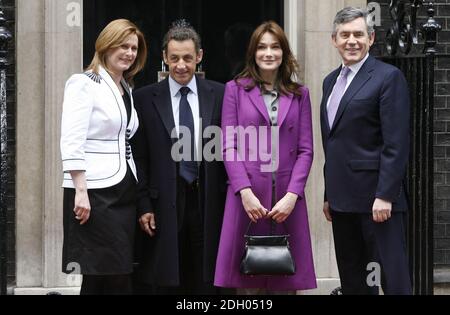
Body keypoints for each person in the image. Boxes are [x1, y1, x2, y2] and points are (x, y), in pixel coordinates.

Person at [214, 21, 317, 294]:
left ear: (284, 52)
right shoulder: (235, 90)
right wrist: (244, 192)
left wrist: (293, 195)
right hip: (248, 199)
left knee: (285, 282)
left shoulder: (299, 94)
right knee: (248, 284)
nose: (268, 53)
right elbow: (229, 146)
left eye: (275, 47)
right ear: (253, 53)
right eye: (262, 47)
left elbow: (306, 150)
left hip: (286, 200)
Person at [320, 7, 412, 295]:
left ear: (371, 38)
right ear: (334, 39)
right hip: (341, 201)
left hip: (377, 202)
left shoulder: (388, 77)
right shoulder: (329, 82)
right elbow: (334, 143)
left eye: (359, 34)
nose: (352, 41)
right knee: (354, 280)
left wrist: (385, 195)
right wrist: (328, 194)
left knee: (392, 281)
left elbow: (396, 143)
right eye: (345, 35)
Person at [132, 20, 227, 294]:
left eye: (187, 58)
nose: (181, 65)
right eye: (174, 58)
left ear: (199, 56)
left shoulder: (220, 94)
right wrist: (143, 205)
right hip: (162, 203)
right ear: (164, 57)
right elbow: (139, 158)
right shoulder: (143, 99)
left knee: (205, 279)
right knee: (166, 279)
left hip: (208, 201)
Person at [60, 19, 147, 295]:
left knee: (109, 271)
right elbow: (72, 138)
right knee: (108, 272)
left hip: (123, 190)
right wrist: (80, 191)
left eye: (134, 48)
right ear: (106, 45)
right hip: (96, 193)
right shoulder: (84, 83)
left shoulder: (126, 88)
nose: (129, 53)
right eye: (123, 45)